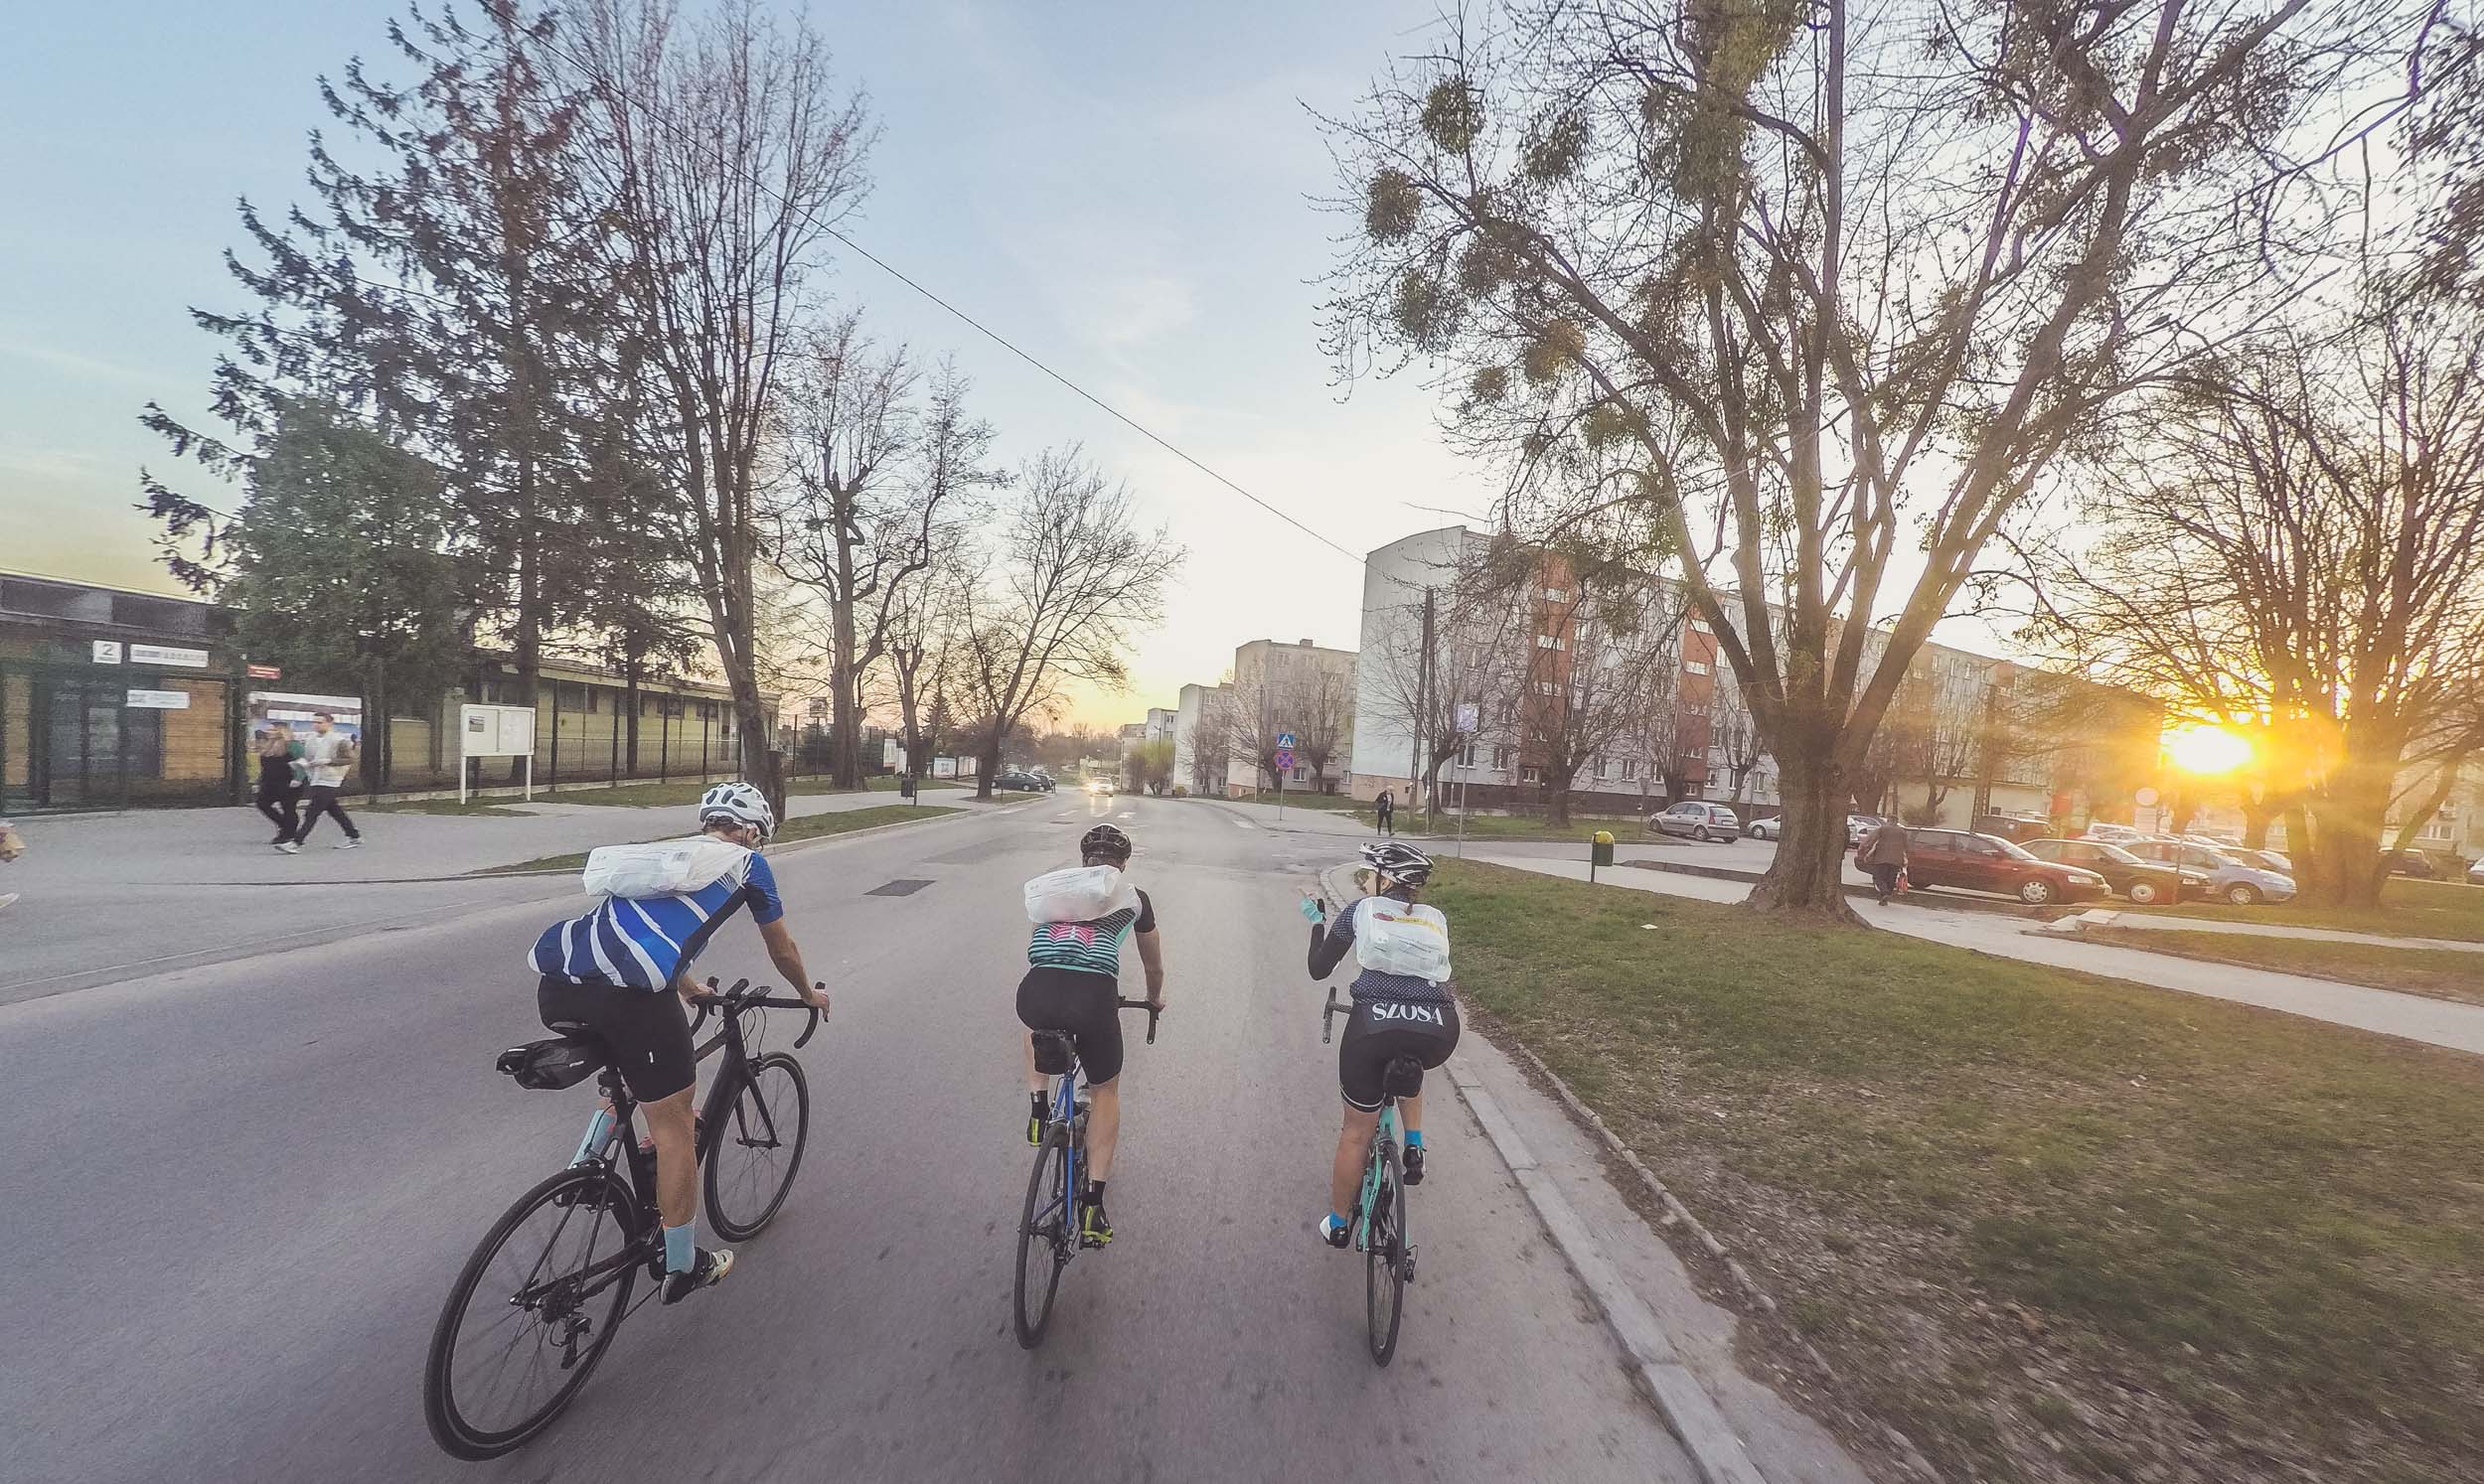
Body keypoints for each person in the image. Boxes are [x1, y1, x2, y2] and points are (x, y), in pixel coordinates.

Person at [527, 782, 831, 1304]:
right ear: (751, 832)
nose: (758, 845)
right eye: (759, 837)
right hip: (630, 999)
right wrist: (808, 994)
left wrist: (687, 986)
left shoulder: (666, 856)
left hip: (558, 985)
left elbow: (642, 930)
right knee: (674, 1128)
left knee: (630, 1079)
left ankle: (583, 1172)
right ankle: (684, 1265)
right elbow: (782, 947)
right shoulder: (748, 866)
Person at [1303, 841, 1459, 1249]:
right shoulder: (1434, 918)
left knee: (1357, 1132)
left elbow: (1319, 968)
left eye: (1370, 873)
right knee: (1411, 1062)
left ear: (1385, 879)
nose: (1366, 879)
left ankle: (1338, 1224)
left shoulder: (1360, 910)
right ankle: (1414, 1145)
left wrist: (1316, 922)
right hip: (1438, 1027)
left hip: (1374, 1025)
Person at [1017, 822, 1164, 1249]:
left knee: (1034, 1025)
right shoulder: (1135, 897)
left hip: (1038, 988)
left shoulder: (1056, 888)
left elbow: (1039, 944)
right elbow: (1153, 965)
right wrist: (1154, 999)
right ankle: (1093, 1207)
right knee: (1105, 1091)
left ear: (1084, 860)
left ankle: (1038, 1109)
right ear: (1123, 864)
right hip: (1094, 999)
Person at [288, 713, 362, 851]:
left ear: (329, 723)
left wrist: (328, 761)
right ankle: (354, 836)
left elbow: (350, 759)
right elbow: (309, 758)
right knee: (334, 810)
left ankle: (296, 842)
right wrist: (300, 764)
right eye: (314, 722)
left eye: (320, 722)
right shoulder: (310, 739)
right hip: (315, 778)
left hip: (331, 779)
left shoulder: (339, 740)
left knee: (312, 812)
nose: (316, 725)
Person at [252, 724, 301, 848]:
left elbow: (302, 764)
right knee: (262, 803)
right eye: (268, 729)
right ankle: (285, 826)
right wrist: (258, 782)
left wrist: (298, 779)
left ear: (281, 731)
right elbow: (265, 768)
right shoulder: (268, 747)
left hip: (288, 782)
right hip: (270, 783)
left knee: (288, 808)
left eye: (273, 730)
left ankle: (287, 834)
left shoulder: (291, 746)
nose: (269, 732)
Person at [1858, 818, 1909, 905]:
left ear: (1888, 821)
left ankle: (1885, 893)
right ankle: (1885, 897)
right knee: (1891, 879)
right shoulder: (1902, 832)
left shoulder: (1882, 829)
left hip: (1881, 858)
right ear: (1896, 822)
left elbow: (1871, 839)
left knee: (1879, 877)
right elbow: (1906, 846)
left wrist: (1864, 849)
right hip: (1896, 860)